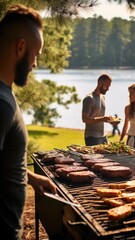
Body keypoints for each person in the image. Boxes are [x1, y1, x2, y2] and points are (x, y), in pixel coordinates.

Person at [0, 4, 57, 239]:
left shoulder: (6, 93)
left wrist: (31, 178)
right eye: (36, 55)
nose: (35, 63)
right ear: (21, 47)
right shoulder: (1, 104)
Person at [82, 73, 115, 146]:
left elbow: (99, 116)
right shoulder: (89, 99)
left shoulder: (103, 97)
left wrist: (110, 120)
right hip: (92, 137)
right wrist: (103, 119)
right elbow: (85, 119)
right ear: (100, 83)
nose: (108, 89)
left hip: (103, 136)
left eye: (109, 86)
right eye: (106, 86)